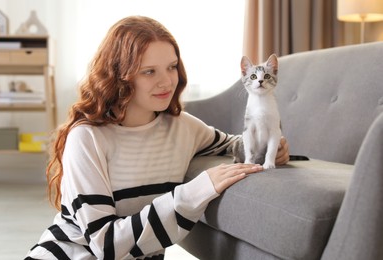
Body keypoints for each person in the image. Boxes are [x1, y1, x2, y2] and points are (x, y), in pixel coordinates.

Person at [25, 16, 289, 260]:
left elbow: (235, 144)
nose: (166, 82)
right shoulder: (87, 138)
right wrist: (197, 190)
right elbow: (105, 245)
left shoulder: (183, 127)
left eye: (172, 67)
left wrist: (271, 147)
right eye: (149, 71)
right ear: (120, 75)